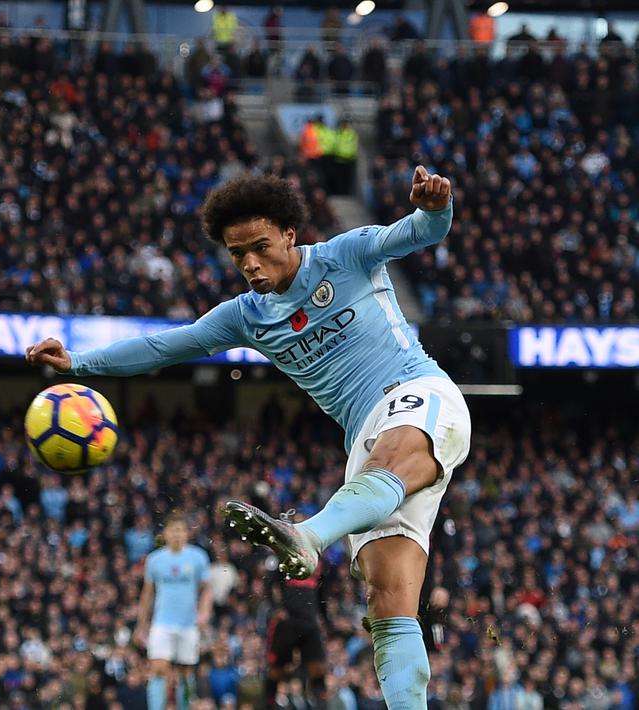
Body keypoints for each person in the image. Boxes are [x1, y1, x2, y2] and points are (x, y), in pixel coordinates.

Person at [25, 167, 471, 710]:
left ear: (290, 233)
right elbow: (167, 347)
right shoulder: (247, 316)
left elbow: (421, 232)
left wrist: (434, 205)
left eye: (260, 247)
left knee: (389, 461)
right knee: (389, 604)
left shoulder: (346, 255)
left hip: (420, 395)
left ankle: (307, 536)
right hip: (363, 441)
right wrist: (79, 361)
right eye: (238, 255)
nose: (251, 265)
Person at [134, 513, 212, 710]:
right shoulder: (154, 560)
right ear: (165, 533)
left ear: (187, 533)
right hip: (162, 623)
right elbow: (147, 594)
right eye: (173, 530)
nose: (177, 534)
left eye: (181, 530)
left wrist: (204, 612)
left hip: (188, 624)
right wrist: (141, 624)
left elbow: (206, 590)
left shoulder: (198, 557)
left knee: (185, 673)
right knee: (158, 669)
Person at [266, 557, 326, 707]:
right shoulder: (285, 556)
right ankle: (267, 704)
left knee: (318, 669)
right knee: (276, 670)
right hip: (288, 621)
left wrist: (324, 618)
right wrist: (276, 608)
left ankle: (321, 705)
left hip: (310, 621)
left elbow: (322, 592)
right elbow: (269, 583)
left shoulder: (319, 561)